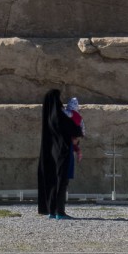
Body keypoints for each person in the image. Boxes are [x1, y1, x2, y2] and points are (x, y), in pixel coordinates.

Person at [37, 89, 83, 220]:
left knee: (52, 181)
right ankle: (60, 212)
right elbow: (76, 129)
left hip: (51, 154)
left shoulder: (49, 118)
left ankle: (52, 211)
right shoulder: (60, 116)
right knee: (62, 182)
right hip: (62, 153)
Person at [65, 96, 85, 181]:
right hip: (74, 138)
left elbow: (63, 113)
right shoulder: (79, 116)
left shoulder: (71, 113)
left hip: (68, 138)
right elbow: (83, 128)